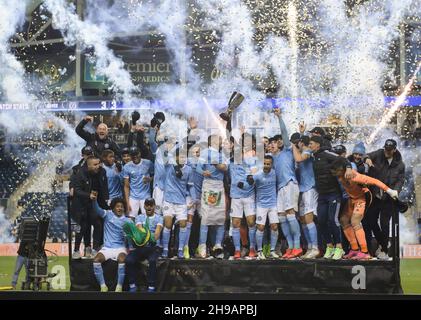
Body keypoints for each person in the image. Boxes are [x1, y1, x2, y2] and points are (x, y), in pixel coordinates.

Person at [330, 157, 399, 260]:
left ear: (344, 170)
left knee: (355, 222)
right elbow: (345, 158)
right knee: (343, 220)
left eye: (339, 174)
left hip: (363, 197)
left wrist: (389, 191)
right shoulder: (342, 173)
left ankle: (365, 252)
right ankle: (354, 250)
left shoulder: (355, 177)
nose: (338, 178)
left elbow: (375, 181)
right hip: (352, 198)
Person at [309, 136, 353, 260]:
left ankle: (339, 247)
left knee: (332, 220)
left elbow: (343, 160)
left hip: (333, 194)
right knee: (321, 221)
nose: (310, 146)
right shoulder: (313, 156)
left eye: (311, 143)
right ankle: (329, 246)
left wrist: (349, 168)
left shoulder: (326, 154)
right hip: (322, 195)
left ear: (318, 144)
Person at [364, 139, 405, 259]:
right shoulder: (378, 153)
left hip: (389, 198)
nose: (386, 152)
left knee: (385, 223)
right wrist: (366, 159)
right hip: (376, 195)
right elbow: (365, 155)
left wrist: (396, 191)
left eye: (389, 150)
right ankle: (383, 243)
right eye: (386, 149)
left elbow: (400, 180)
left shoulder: (400, 164)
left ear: (394, 150)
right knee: (371, 220)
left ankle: (384, 249)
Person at [272, 108, 302, 259]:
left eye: (276, 142)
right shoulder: (271, 159)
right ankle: (290, 248)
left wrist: (279, 117)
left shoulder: (288, 151)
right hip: (280, 189)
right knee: (282, 217)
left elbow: (284, 134)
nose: (273, 144)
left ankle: (297, 246)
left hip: (290, 184)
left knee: (291, 215)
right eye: (271, 143)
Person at [196, 135, 228, 259]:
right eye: (218, 138)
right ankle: (202, 246)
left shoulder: (222, 154)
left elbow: (225, 168)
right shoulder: (205, 153)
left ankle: (218, 246)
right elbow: (198, 168)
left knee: (220, 216)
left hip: (219, 186)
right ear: (212, 141)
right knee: (206, 216)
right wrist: (203, 172)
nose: (221, 140)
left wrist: (217, 165)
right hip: (208, 185)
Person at [71, 155, 109, 259]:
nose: (98, 166)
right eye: (95, 164)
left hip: (94, 203)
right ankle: (77, 250)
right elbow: (77, 190)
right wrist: (89, 195)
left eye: (99, 163)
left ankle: (95, 249)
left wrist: (106, 199)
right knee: (83, 226)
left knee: (98, 223)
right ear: (88, 165)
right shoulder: (80, 174)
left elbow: (103, 186)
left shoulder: (101, 172)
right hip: (81, 205)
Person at [161, 147, 195, 259]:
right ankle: (165, 250)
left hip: (181, 201)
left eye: (184, 156)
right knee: (168, 225)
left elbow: (190, 186)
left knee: (183, 225)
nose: (183, 159)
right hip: (168, 200)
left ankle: (180, 250)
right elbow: (164, 152)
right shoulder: (169, 166)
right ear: (175, 157)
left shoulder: (189, 170)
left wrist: (194, 199)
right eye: (180, 156)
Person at [92, 198, 131, 292]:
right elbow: (97, 210)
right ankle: (103, 286)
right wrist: (94, 201)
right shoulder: (108, 215)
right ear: (113, 208)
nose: (120, 208)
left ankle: (119, 287)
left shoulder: (128, 221)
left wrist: (127, 238)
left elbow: (130, 239)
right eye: (117, 206)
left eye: (121, 206)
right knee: (96, 260)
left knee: (122, 260)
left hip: (120, 248)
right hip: (107, 248)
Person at [125, 198, 163, 293]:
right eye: (147, 205)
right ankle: (132, 284)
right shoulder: (139, 217)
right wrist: (147, 236)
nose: (149, 207)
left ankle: (151, 286)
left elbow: (157, 235)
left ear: (154, 206)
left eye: (151, 205)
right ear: (144, 206)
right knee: (129, 260)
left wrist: (147, 237)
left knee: (152, 260)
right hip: (140, 247)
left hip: (154, 247)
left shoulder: (159, 218)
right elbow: (140, 233)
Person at [291, 135, 319, 259]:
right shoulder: (303, 150)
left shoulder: (307, 150)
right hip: (302, 189)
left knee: (308, 218)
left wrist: (292, 146)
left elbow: (298, 159)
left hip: (310, 189)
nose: (297, 145)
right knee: (302, 219)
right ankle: (309, 247)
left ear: (302, 143)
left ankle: (315, 247)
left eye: (298, 143)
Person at [228, 140, 257, 259]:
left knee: (251, 222)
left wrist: (247, 183)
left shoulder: (250, 162)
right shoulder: (229, 163)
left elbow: (254, 177)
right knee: (236, 224)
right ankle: (237, 250)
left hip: (249, 195)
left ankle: (252, 249)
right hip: (235, 196)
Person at [248, 155, 279, 259]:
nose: (266, 165)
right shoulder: (257, 175)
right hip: (261, 205)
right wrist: (248, 180)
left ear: (271, 164)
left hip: (273, 204)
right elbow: (249, 183)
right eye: (264, 163)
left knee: (274, 227)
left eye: (268, 164)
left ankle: (272, 250)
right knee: (260, 228)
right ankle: (260, 251)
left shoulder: (275, 173)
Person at [122, 147, 153, 218]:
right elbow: (126, 186)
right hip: (133, 196)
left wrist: (150, 179)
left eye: (136, 154)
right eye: (133, 154)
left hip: (146, 195)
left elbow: (155, 176)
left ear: (140, 153)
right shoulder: (126, 167)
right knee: (130, 219)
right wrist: (127, 203)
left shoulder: (148, 163)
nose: (135, 156)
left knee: (147, 219)